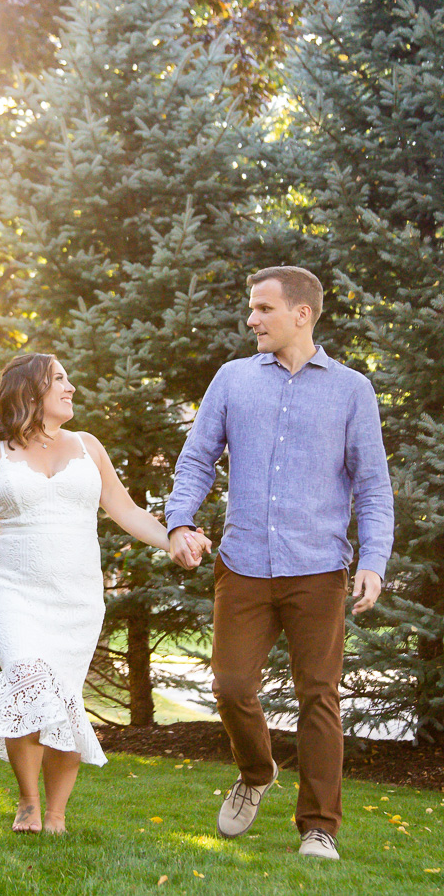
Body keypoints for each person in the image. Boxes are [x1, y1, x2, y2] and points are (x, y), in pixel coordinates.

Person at [0, 351, 205, 835]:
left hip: (76, 598)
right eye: (59, 379)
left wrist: (174, 536)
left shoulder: (88, 447)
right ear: (30, 391)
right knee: (27, 679)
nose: (70, 387)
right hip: (14, 592)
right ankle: (28, 802)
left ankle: (56, 814)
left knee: (64, 699)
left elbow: (127, 510)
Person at [165, 266, 394, 861]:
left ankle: (319, 827)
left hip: (318, 567)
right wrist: (180, 522)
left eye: (263, 309)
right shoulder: (233, 380)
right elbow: (196, 460)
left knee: (318, 695)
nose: (251, 320)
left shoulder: (351, 391)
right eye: (251, 308)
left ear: (302, 314)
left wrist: (373, 559)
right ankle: (257, 771)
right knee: (231, 683)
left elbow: (372, 487)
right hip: (243, 562)